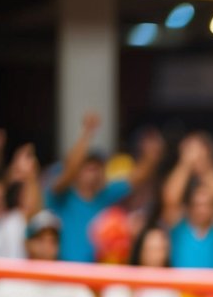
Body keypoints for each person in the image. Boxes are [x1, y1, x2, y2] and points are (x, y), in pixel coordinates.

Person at [44, 112, 151, 262]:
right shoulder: (61, 194)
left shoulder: (106, 194)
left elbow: (137, 178)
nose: (92, 173)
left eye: (96, 167)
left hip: (98, 275)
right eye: (87, 167)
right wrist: (87, 133)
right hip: (66, 273)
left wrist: (151, 153)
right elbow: (70, 169)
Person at [161, 132, 213, 270]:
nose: (202, 209)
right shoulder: (179, 227)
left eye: (207, 205)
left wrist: (205, 167)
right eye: (197, 204)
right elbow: (170, 199)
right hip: (182, 291)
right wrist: (185, 163)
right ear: (189, 207)